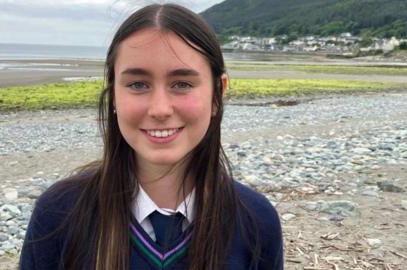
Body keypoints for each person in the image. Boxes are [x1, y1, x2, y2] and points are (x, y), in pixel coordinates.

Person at [19, 3, 283, 270]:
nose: (159, 109)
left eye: (182, 84)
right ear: (113, 95)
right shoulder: (59, 212)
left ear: (218, 92)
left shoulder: (256, 220)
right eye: (138, 84)